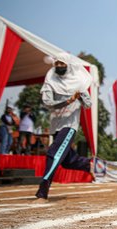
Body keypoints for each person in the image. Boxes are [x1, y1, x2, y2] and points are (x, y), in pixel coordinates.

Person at [34, 52, 95, 203]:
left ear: (68, 65)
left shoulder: (79, 83)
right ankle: (88, 165)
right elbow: (48, 103)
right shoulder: (50, 81)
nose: (59, 66)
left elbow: (88, 105)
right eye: (57, 63)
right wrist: (68, 101)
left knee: (53, 153)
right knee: (67, 160)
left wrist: (80, 96)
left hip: (69, 125)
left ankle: (43, 190)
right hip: (56, 124)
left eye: (63, 64)